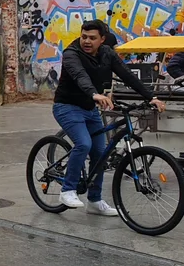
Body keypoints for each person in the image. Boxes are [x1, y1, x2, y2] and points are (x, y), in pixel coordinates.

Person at [53, 20, 166, 216]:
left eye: (92, 38)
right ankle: (67, 190)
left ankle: (95, 201)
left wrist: (151, 97)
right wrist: (94, 94)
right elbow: (80, 75)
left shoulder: (107, 53)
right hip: (67, 107)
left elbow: (128, 76)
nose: (87, 41)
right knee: (84, 144)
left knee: (100, 153)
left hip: (90, 109)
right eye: (84, 36)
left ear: (102, 39)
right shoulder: (71, 54)